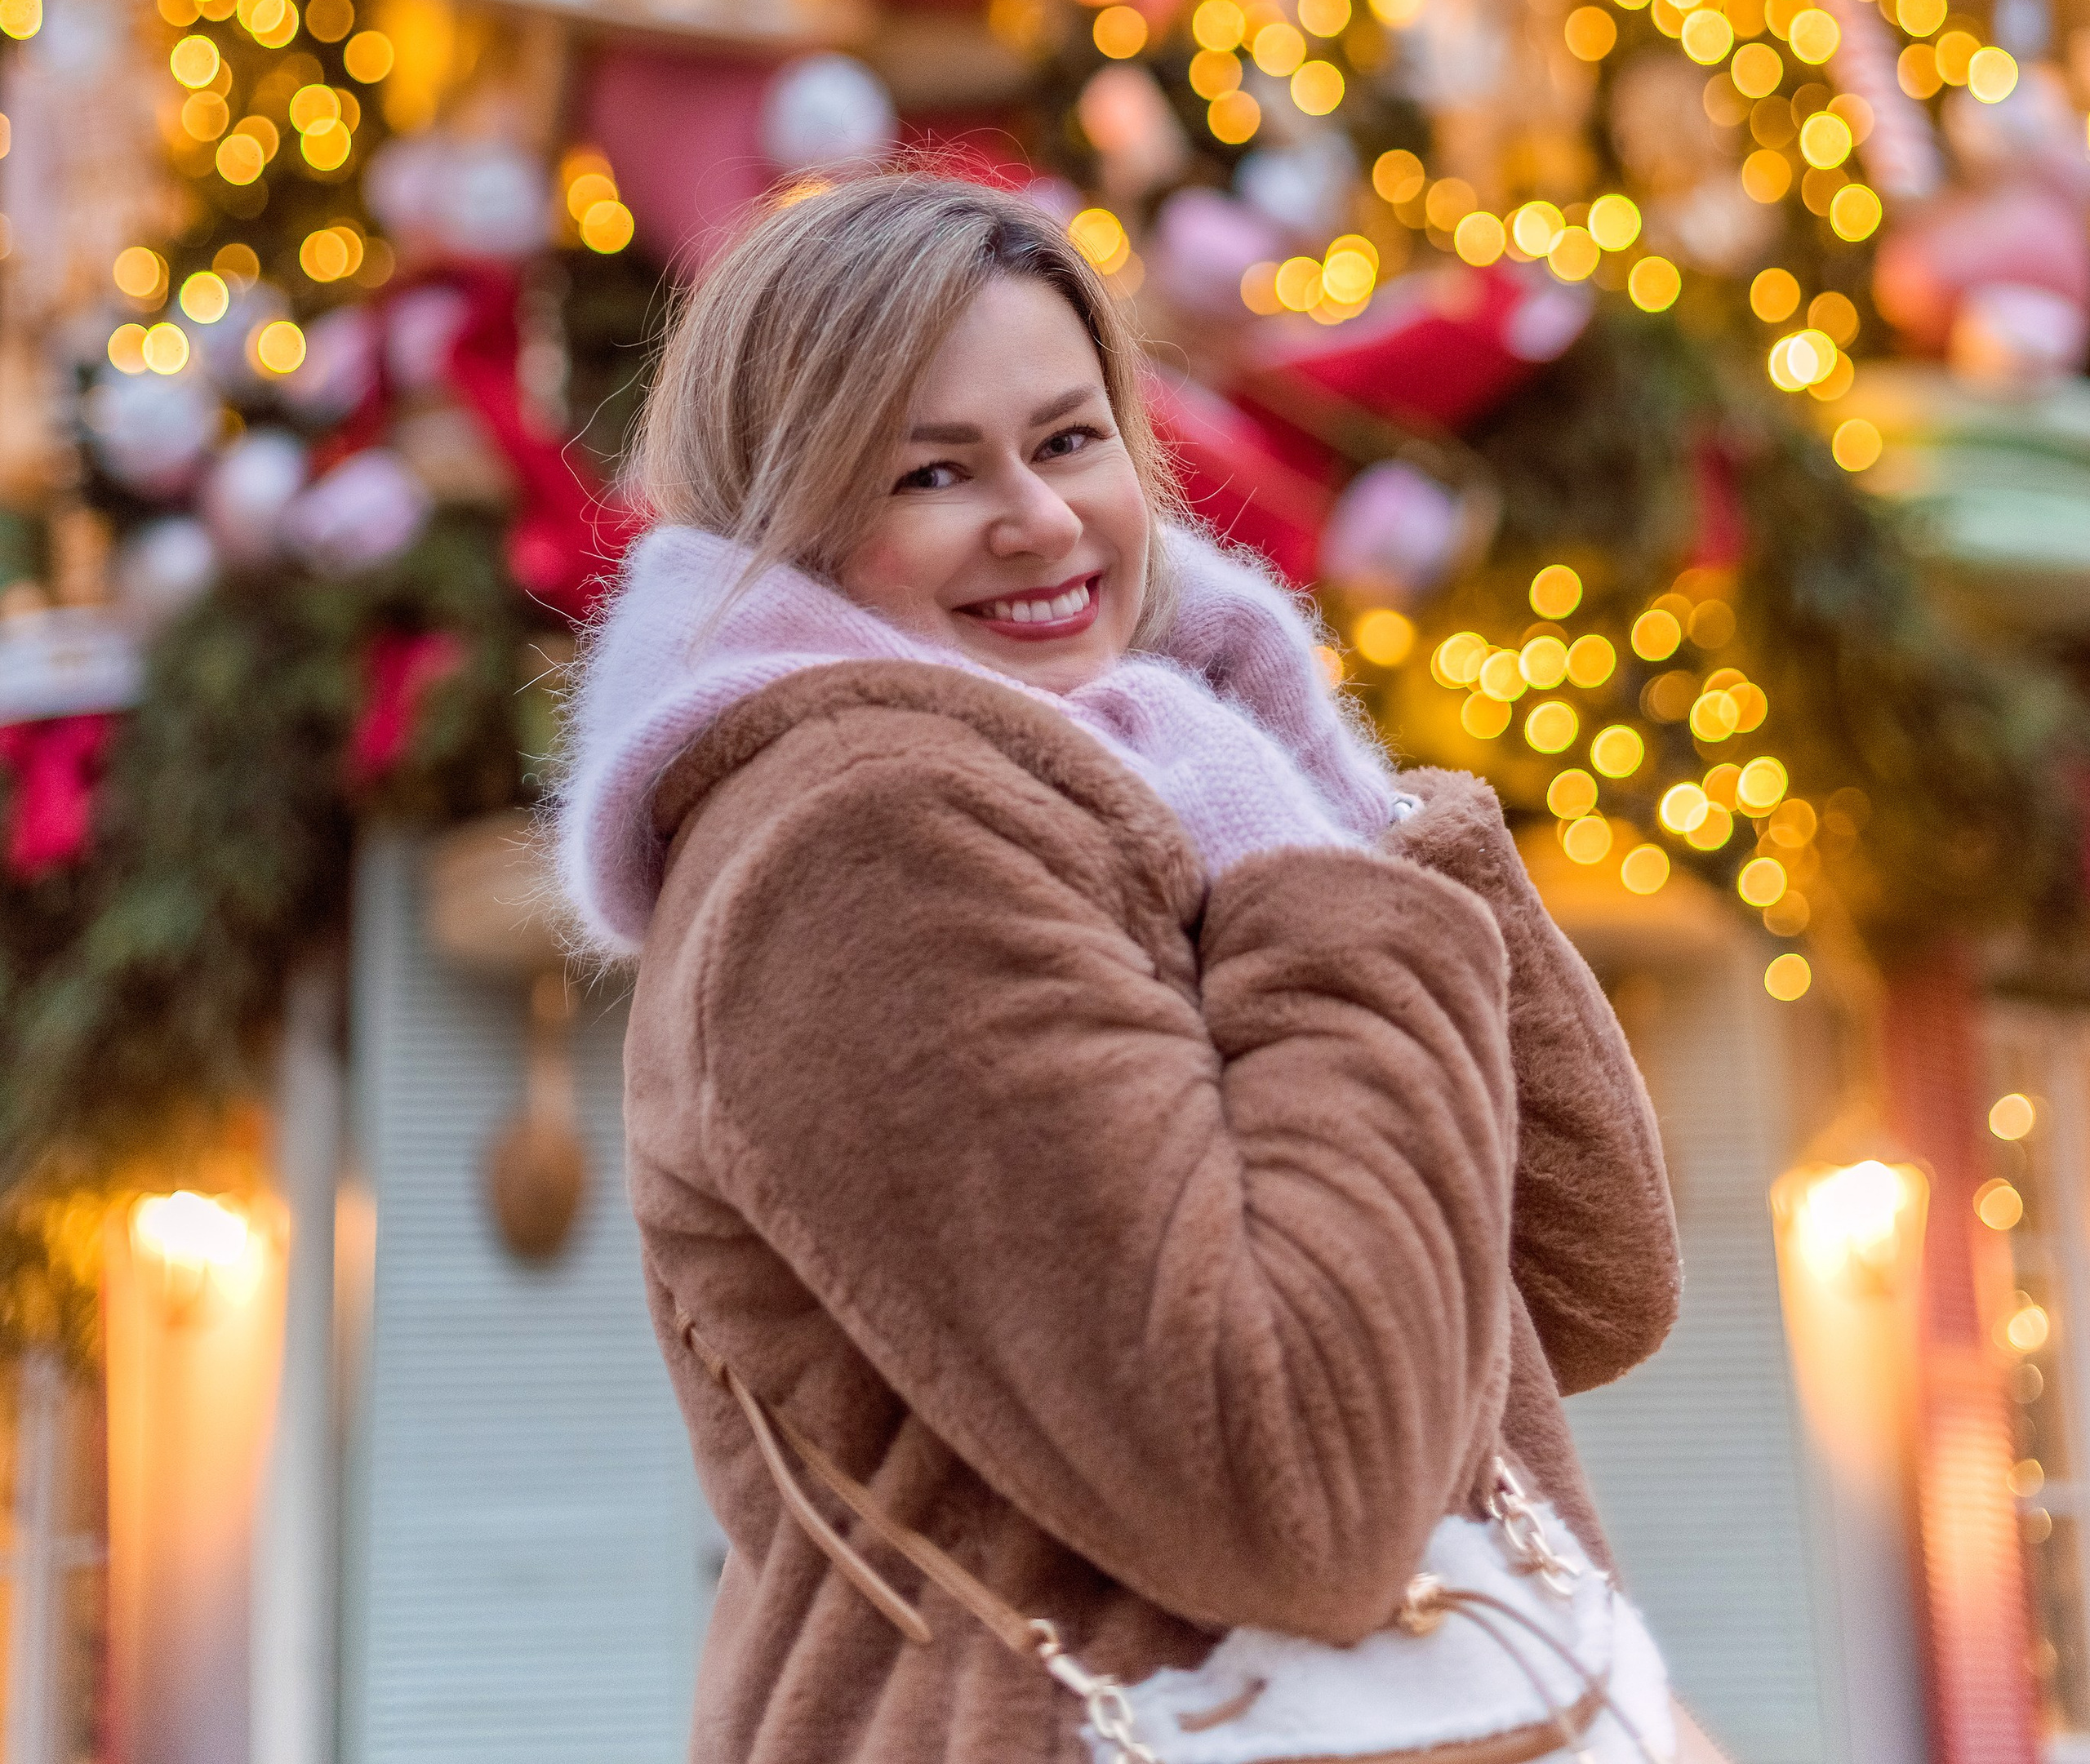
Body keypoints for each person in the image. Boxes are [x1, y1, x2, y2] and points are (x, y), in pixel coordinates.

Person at [558, 172, 1682, 1764]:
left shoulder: (1179, 767)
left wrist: (1335, 792)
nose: (1036, 518)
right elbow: (1298, 1494)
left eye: (1069, 439)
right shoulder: (862, 845)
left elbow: (1579, 1282)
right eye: (930, 470)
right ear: (791, 516)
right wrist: (1329, 898)